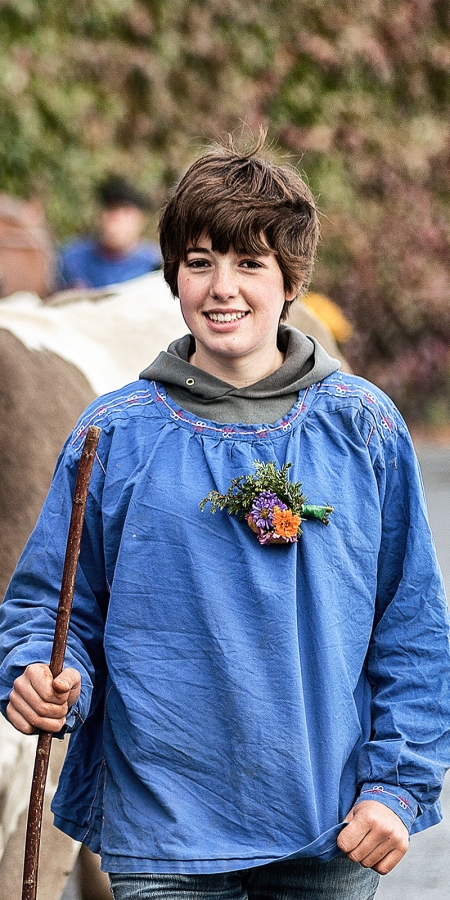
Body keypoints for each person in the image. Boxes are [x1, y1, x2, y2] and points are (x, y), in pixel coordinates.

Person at [1, 136, 450, 900]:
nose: (222, 287)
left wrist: (398, 788)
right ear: (172, 272)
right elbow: (53, 605)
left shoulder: (363, 427)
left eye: (250, 263)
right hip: (163, 829)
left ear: (291, 279)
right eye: (200, 261)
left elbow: (409, 626)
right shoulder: (112, 435)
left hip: (327, 825)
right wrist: (39, 672)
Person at [56, 175, 162, 290]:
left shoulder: (155, 265)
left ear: (141, 219)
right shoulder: (72, 259)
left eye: (125, 213)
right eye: (111, 211)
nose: (116, 221)